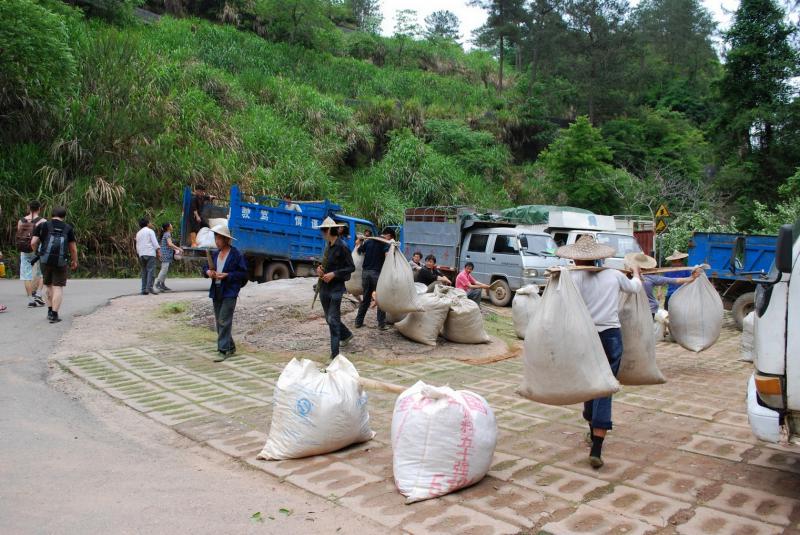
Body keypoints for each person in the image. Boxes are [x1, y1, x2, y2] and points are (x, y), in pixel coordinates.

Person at [556, 235, 642, 469]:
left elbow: (561, 303)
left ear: (575, 257)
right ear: (601, 257)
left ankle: (591, 429)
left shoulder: (569, 278)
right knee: (605, 386)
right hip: (610, 336)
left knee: (588, 381)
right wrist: (635, 273)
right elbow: (635, 289)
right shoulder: (614, 275)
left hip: (584, 335)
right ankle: (596, 446)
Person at [202, 223, 248, 362]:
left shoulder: (236, 255)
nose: (216, 241)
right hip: (216, 291)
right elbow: (205, 268)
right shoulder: (215, 254)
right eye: (215, 238)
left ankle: (223, 350)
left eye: (219, 239)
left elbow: (243, 273)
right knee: (219, 321)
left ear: (226, 239)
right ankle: (231, 346)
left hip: (229, 292)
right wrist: (208, 272)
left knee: (223, 320)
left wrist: (227, 275)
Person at [30, 206, 78, 324]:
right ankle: (55, 315)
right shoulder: (68, 228)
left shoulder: (43, 225)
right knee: (58, 287)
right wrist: (74, 261)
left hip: (45, 260)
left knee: (47, 285)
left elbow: (33, 242)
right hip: (60, 262)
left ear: (52, 214)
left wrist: (38, 252)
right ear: (64, 216)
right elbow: (73, 249)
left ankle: (49, 311)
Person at [317, 217, 355, 359]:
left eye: (323, 230)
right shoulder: (328, 245)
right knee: (329, 318)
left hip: (336, 288)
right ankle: (346, 335)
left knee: (333, 320)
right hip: (324, 288)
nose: (321, 233)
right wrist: (321, 270)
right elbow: (326, 265)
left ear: (328, 231)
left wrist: (334, 274)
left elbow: (351, 267)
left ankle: (335, 355)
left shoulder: (342, 246)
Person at [624, 252, 700, 316]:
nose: (676, 263)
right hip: (642, 308)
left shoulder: (625, 277)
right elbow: (672, 280)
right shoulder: (627, 277)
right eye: (674, 261)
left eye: (678, 261)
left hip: (650, 308)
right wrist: (692, 278)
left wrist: (691, 278)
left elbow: (672, 280)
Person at [354, 228, 393, 330]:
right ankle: (381, 324)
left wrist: (360, 241)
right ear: (387, 236)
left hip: (365, 273)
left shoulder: (369, 241)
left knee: (366, 299)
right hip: (377, 274)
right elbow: (387, 255)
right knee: (380, 298)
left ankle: (358, 322)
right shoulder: (384, 243)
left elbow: (359, 250)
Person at [16, 200, 46, 308]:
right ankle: (38, 294)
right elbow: (45, 238)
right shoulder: (43, 221)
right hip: (38, 249)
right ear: (39, 208)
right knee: (42, 273)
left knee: (26, 275)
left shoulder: (21, 221)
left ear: (29, 208)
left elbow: (19, 236)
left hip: (25, 250)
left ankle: (30, 300)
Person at [136, 218, 161, 295]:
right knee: (151, 271)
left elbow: (137, 244)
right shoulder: (150, 231)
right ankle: (149, 288)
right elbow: (155, 242)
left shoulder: (138, 233)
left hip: (141, 254)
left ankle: (143, 289)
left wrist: (139, 253)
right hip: (150, 253)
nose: (151, 224)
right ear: (147, 224)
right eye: (149, 222)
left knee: (144, 271)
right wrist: (159, 251)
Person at [155, 222, 183, 292]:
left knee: (165, 270)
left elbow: (169, 245)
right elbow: (170, 244)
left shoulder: (166, 233)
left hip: (166, 254)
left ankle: (162, 284)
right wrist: (178, 248)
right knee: (164, 269)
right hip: (165, 254)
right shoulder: (167, 234)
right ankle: (157, 283)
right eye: (171, 225)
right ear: (168, 227)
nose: (172, 226)